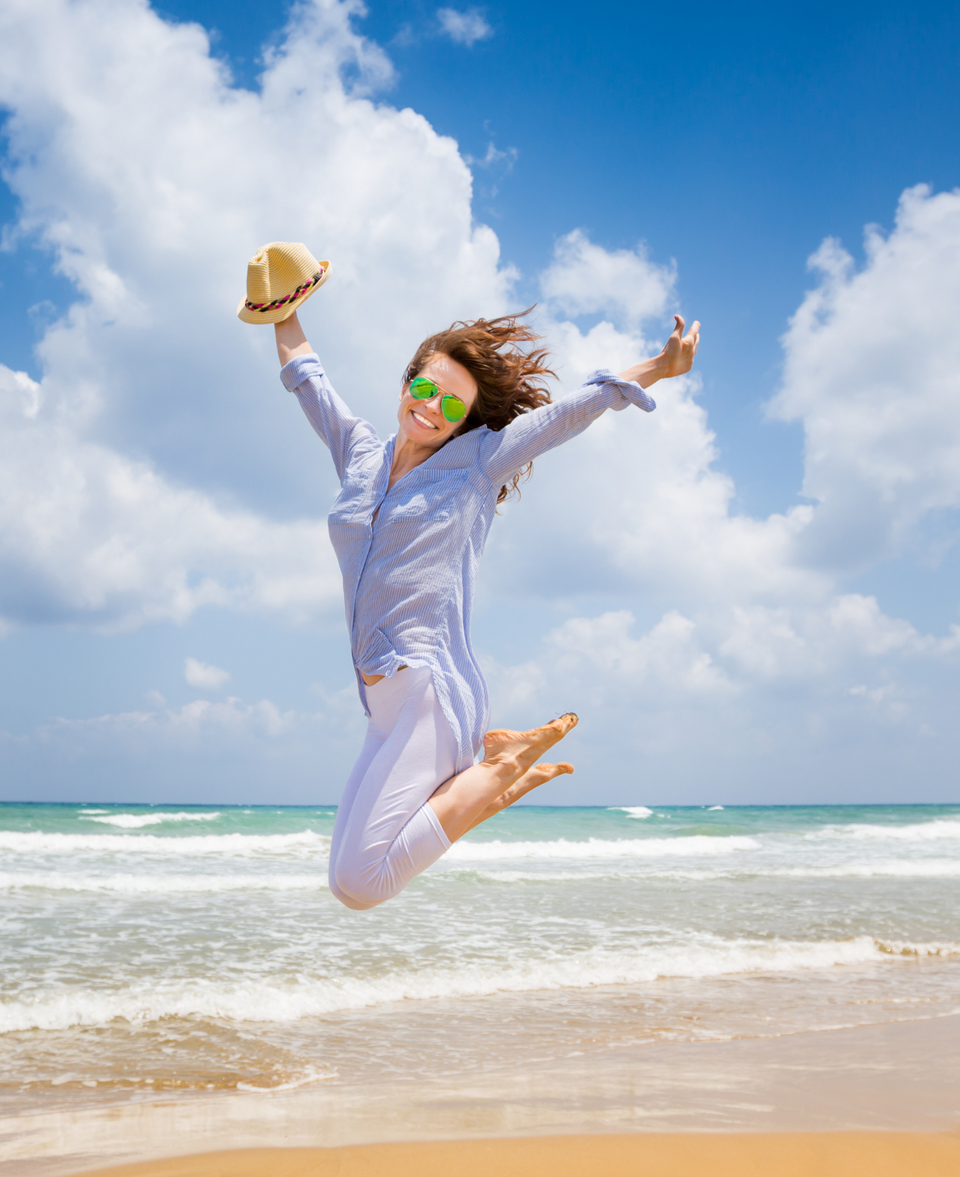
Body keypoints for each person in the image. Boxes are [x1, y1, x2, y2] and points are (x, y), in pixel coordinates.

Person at [244, 244, 700, 910]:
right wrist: (281, 308)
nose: (431, 410)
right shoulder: (362, 454)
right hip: (381, 707)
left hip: (430, 691)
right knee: (340, 868)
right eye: (424, 389)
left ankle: (494, 779)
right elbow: (310, 381)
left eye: (451, 406)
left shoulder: (478, 465)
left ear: (466, 419)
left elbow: (562, 416)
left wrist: (655, 369)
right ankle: (496, 764)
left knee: (359, 885)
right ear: (407, 383)